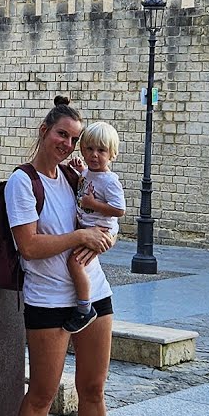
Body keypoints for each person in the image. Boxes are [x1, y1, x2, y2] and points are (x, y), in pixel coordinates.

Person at [7, 96, 116, 416]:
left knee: (94, 391)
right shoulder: (22, 182)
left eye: (74, 140)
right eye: (62, 135)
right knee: (42, 395)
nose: (68, 145)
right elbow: (28, 246)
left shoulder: (76, 177)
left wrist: (106, 237)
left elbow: (106, 214)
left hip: (95, 293)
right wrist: (80, 237)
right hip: (49, 301)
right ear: (44, 131)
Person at [65, 122, 126, 331]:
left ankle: (84, 307)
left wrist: (93, 205)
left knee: (75, 263)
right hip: (88, 227)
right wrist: (81, 170)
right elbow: (88, 181)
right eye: (89, 149)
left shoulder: (110, 181)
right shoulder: (89, 172)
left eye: (101, 150)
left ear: (112, 154)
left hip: (101, 230)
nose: (94, 155)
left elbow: (119, 210)